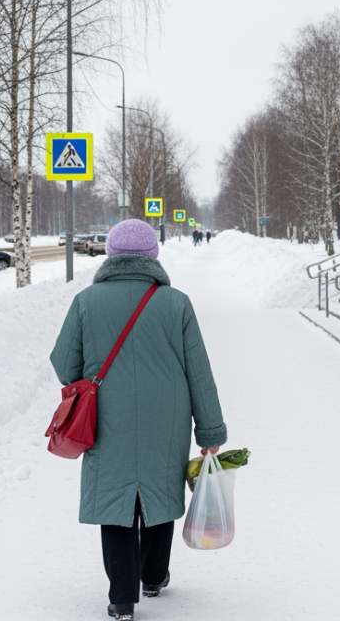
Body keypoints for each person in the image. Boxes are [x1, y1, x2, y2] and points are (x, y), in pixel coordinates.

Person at [50, 219, 228, 621]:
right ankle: (153, 575)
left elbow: (65, 365)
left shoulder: (86, 301)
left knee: (114, 497)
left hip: (106, 413)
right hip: (167, 414)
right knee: (160, 490)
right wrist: (210, 430)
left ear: (111, 254)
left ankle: (122, 597)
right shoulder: (176, 302)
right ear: (153, 256)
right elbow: (198, 371)